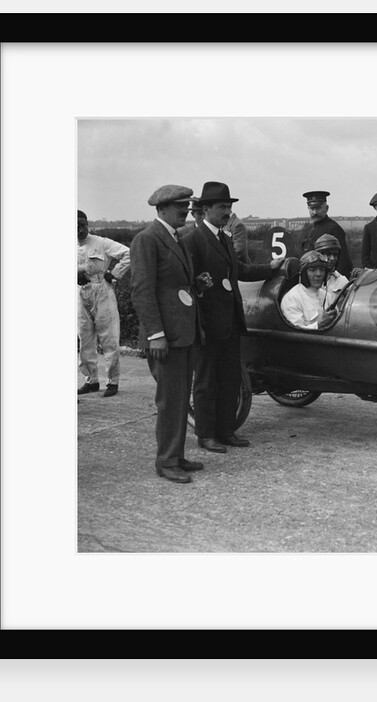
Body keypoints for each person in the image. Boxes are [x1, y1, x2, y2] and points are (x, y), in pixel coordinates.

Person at [182, 181, 283, 454]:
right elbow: (185, 282)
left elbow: (239, 271)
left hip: (230, 322)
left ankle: (226, 431)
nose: (227, 211)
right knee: (205, 381)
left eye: (229, 206)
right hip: (206, 325)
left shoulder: (224, 238)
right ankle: (205, 434)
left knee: (229, 379)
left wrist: (271, 270)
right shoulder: (192, 240)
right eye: (222, 207)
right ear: (206, 209)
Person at [130, 184, 204, 483]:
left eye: (187, 207)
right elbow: (142, 290)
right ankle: (166, 461)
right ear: (161, 209)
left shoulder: (176, 237)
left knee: (179, 398)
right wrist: (155, 334)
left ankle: (176, 455)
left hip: (183, 333)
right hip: (166, 337)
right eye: (179, 208)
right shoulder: (147, 240)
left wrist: (196, 282)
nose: (185, 211)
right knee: (169, 400)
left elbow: (171, 285)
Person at [77, 210, 131, 397]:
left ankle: (112, 382)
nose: (79, 229)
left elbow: (128, 254)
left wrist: (114, 274)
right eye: (74, 225)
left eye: (82, 224)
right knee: (85, 339)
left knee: (109, 338)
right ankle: (91, 380)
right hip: (79, 293)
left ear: (87, 224)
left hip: (102, 291)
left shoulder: (100, 242)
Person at [298, 190, 353, 278]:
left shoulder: (334, 228)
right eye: (312, 209)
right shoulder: (309, 230)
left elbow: (343, 262)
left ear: (326, 208)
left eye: (318, 208)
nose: (315, 212)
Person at [280, 250, 338, 330]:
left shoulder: (328, 296)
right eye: (312, 270)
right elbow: (296, 333)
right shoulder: (292, 299)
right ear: (304, 274)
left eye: (322, 269)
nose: (318, 274)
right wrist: (319, 325)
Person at [313, 233, 349, 308]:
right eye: (328, 254)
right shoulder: (310, 281)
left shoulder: (342, 281)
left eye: (335, 254)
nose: (332, 258)